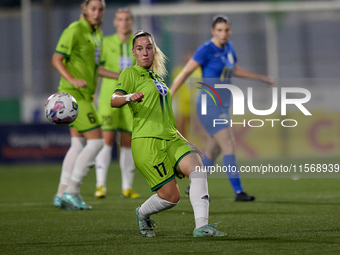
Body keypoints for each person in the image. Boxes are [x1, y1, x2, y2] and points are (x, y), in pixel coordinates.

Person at [111, 30, 226, 237]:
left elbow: (167, 119)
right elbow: (114, 99)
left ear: (154, 50)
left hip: (171, 138)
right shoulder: (130, 73)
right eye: (140, 48)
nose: (145, 52)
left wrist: (186, 141)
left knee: (198, 169)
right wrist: (129, 97)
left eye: (149, 48)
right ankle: (142, 213)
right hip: (147, 142)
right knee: (171, 197)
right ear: (134, 52)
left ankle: (202, 227)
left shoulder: (158, 78)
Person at [170, 15, 275, 201]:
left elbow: (234, 70)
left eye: (226, 30)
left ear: (230, 30)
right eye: (219, 30)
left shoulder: (229, 48)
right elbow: (186, 71)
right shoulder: (206, 50)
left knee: (214, 150)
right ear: (213, 31)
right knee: (228, 144)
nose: (223, 33)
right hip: (209, 105)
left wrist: (261, 77)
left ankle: (195, 184)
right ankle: (239, 192)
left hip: (223, 105)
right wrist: (170, 93)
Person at [52, 0, 120, 210]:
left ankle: (60, 193)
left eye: (100, 9)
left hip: (84, 95)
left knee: (78, 144)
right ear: (84, 9)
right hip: (74, 96)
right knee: (97, 142)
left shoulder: (97, 35)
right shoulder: (75, 30)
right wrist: (72, 80)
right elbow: (56, 59)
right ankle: (72, 191)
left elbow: (97, 69)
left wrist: (119, 76)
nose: (97, 13)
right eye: (93, 8)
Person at [94, 8, 139, 199]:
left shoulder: (138, 44)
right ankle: (100, 185)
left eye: (127, 19)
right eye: (120, 19)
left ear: (132, 21)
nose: (124, 22)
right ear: (115, 22)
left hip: (131, 99)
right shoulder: (106, 43)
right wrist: (120, 76)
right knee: (107, 140)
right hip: (108, 97)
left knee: (128, 142)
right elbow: (97, 69)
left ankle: (127, 187)